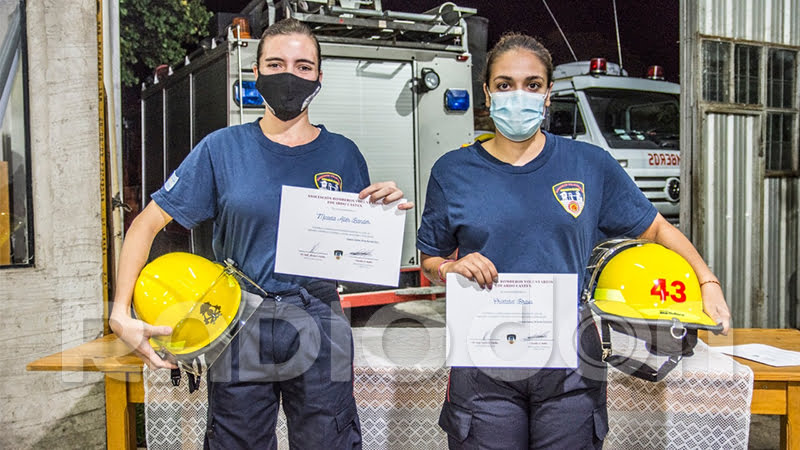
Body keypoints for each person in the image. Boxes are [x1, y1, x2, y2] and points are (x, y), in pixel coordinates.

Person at [416, 32, 731, 449]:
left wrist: (707, 281)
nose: (518, 95)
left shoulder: (589, 164)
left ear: (548, 95)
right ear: (488, 94)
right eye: (504, 84)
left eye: (532, 85)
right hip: (484, 361)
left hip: (569, 364)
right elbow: (430, 258)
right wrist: (450, 267)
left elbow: (656, 229)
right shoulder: (452, 170)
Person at [110, 18, 412, 449]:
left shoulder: (343, 154)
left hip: (318, 319)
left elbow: (355, 250)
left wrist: (382, 214)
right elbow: (145, 224)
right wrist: (121, 312)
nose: (290, 75)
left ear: (319, 77)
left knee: (329, 441)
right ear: (257, 73)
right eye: (276, 63)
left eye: (303, 66)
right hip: (238, 322)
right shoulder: (222, 149)